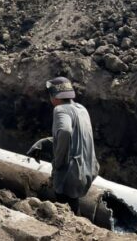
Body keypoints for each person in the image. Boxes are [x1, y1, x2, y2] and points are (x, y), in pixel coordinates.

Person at [45, 77, 99, 215]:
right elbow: (78, 135)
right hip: (88, 168)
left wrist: (58, 162)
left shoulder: (60, 110)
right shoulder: (81, 108)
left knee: (66, 210)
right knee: (74, 207)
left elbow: (65, 131)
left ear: (54, 96)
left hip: (71, 173)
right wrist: (49, 141)